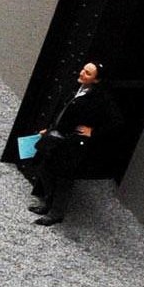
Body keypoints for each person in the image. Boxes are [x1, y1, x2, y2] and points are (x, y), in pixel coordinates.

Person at [25, 60, 122, 226]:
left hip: (72, 142)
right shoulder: (75, 88)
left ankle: (56, 213)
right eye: (83, 70)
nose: (82, 73)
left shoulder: (100, 99)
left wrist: (93, 132)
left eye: (88, 73)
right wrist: (49, 128)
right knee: (45, 169)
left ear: (96, 80)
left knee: (63, 178)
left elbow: (116, 121)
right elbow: (62, 111)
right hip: (57, 135)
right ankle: (47, 203)